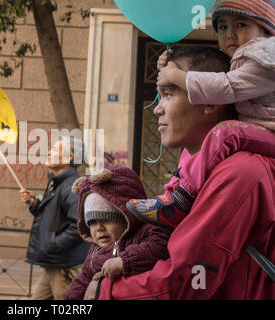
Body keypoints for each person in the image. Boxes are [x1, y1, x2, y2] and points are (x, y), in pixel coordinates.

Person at [98, 46, 274, 299]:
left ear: (210, 101)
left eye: (168, 94)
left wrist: (105, 293)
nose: (157, 109)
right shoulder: (196, 163)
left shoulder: (239, 173)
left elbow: (188, 280)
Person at [127, 0, 275, 229]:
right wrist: (169, 67)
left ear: (266, 30)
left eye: (241, 24)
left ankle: (182, 199)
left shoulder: (265, 59)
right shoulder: (243, 59)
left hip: (270, 131)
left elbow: (225, 87)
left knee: (225, 133)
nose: (231, 34)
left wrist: (176, 76)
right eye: (223, 27)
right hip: (260, 129)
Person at [63, 166, 170, 300]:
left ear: (127, 217)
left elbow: (159, 246)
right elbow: (83, 279)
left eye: (107, 220)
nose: (99, 228)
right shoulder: (94, 252)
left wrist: (124, 261)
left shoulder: (144, 233)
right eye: (93, 222)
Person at [19, 136, 90, 300]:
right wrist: (35, 203)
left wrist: (52, 244)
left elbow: (79, 226)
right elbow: (55, 217)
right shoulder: (57, 182)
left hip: (64, 264)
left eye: (55, 150)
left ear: (68, 157)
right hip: (55, 263)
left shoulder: (71, 186)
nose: (49, 152)